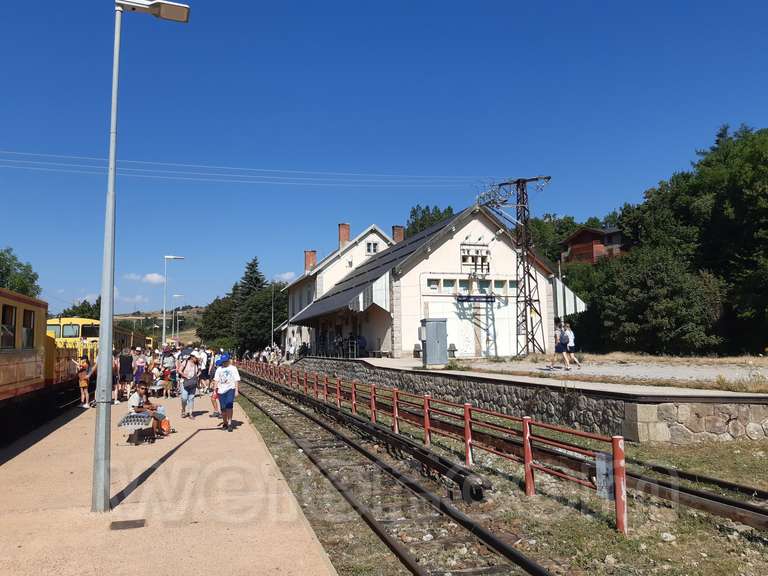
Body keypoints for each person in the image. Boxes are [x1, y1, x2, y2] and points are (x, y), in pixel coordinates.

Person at [213, 353, 240, 432]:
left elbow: (236, 379)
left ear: (228, 361)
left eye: (225, 361)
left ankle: (230, 423)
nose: (224, 363)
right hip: (221, 390)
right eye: (223, 361)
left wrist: (236, 390)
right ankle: (225, 423)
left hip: (230, 389)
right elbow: (216, 380)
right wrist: (214, 391)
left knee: (229, 405)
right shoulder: (219, 369)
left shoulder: (233, 368)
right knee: (223, 408)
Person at [177, 351, 200, 420]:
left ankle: (190, 413)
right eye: (196, 358)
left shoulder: (197, 364)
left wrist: (197, 375)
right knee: (184, 398)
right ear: (192, 357)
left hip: (193, 383)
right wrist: (185, 376)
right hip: (184, 382)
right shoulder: (185, 362)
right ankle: (183, 410)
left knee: (191, 398)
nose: (197, 359)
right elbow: (179, 370)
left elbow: (200, 371)